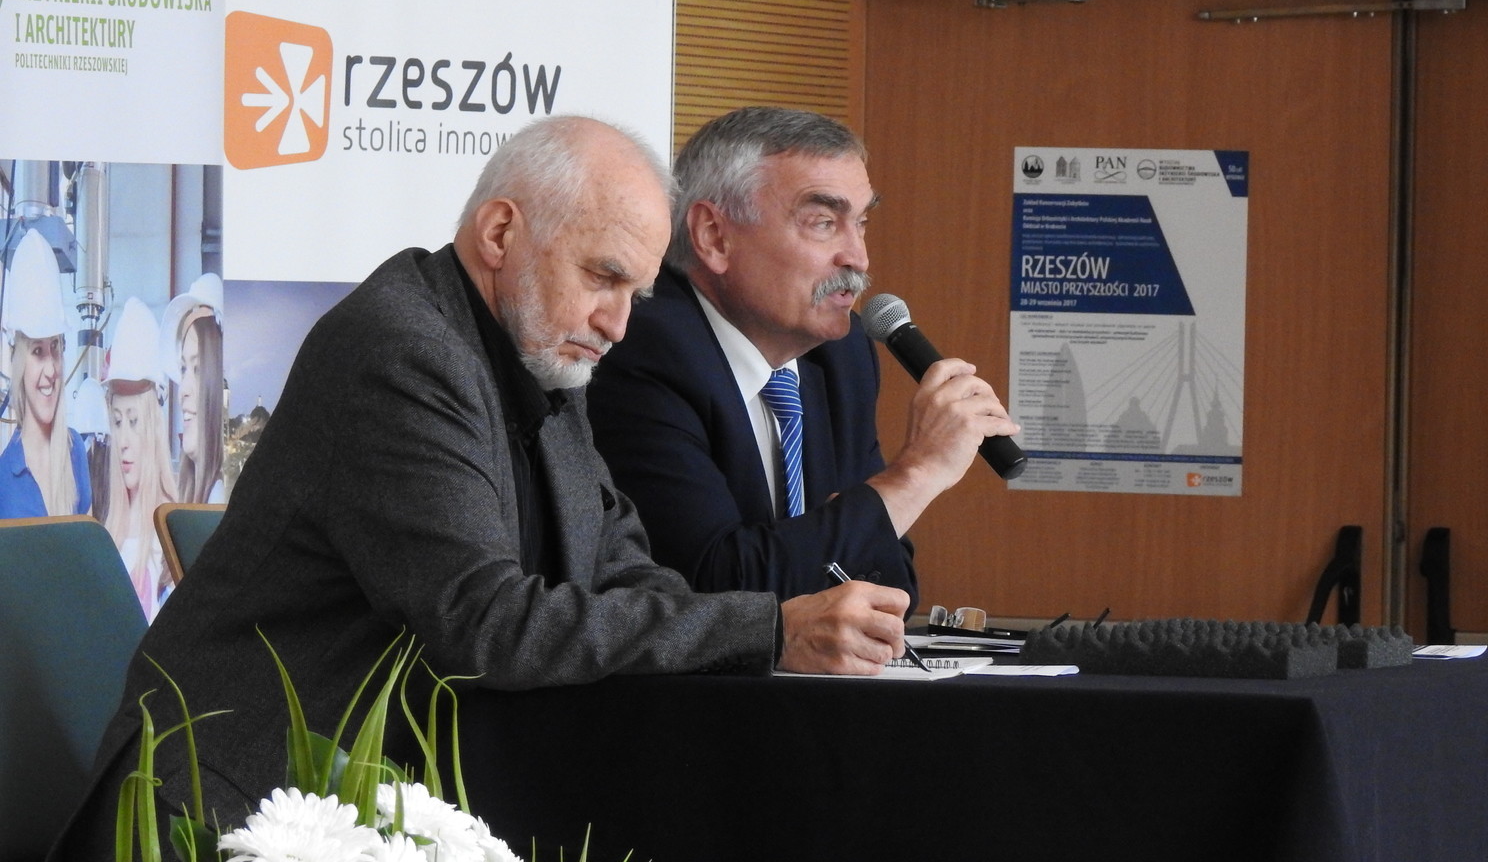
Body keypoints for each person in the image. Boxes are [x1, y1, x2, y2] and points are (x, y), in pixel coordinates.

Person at [50, 115, 909, 859]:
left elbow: (621, 568)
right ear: (500, 233)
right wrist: (768, 629)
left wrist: (756, 631)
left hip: (392, 796)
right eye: (603, 277)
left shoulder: (544, 353)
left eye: (636, 293)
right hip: (231, 805)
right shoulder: (401, 349)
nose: (618, 323)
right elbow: (487, 623)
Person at [586, 106, 1020, 601]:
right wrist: (915, 475)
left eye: (861, 223)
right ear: (714, 236)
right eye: (823, 222)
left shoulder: (842, 356)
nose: (858, 257)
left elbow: (892, 584)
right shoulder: (638, 348)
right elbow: (710, 591)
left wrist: (841, 529)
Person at [0, 227, 92, 518]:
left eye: (56, 347)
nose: (51, 369)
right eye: (37, 351)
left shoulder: (75, 452)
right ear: (17, 360)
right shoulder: (3, 476)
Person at [102, 296, 178, 618]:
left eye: (134, 422)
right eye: (117, 422)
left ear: (153, 427)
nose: (124, 441)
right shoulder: (107, 532)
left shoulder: (174, 528)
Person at [161, 273, 227, 502]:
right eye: (183, 369)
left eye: (198, 369)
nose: (183, 391)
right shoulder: (192, 496)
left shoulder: (221, 498)